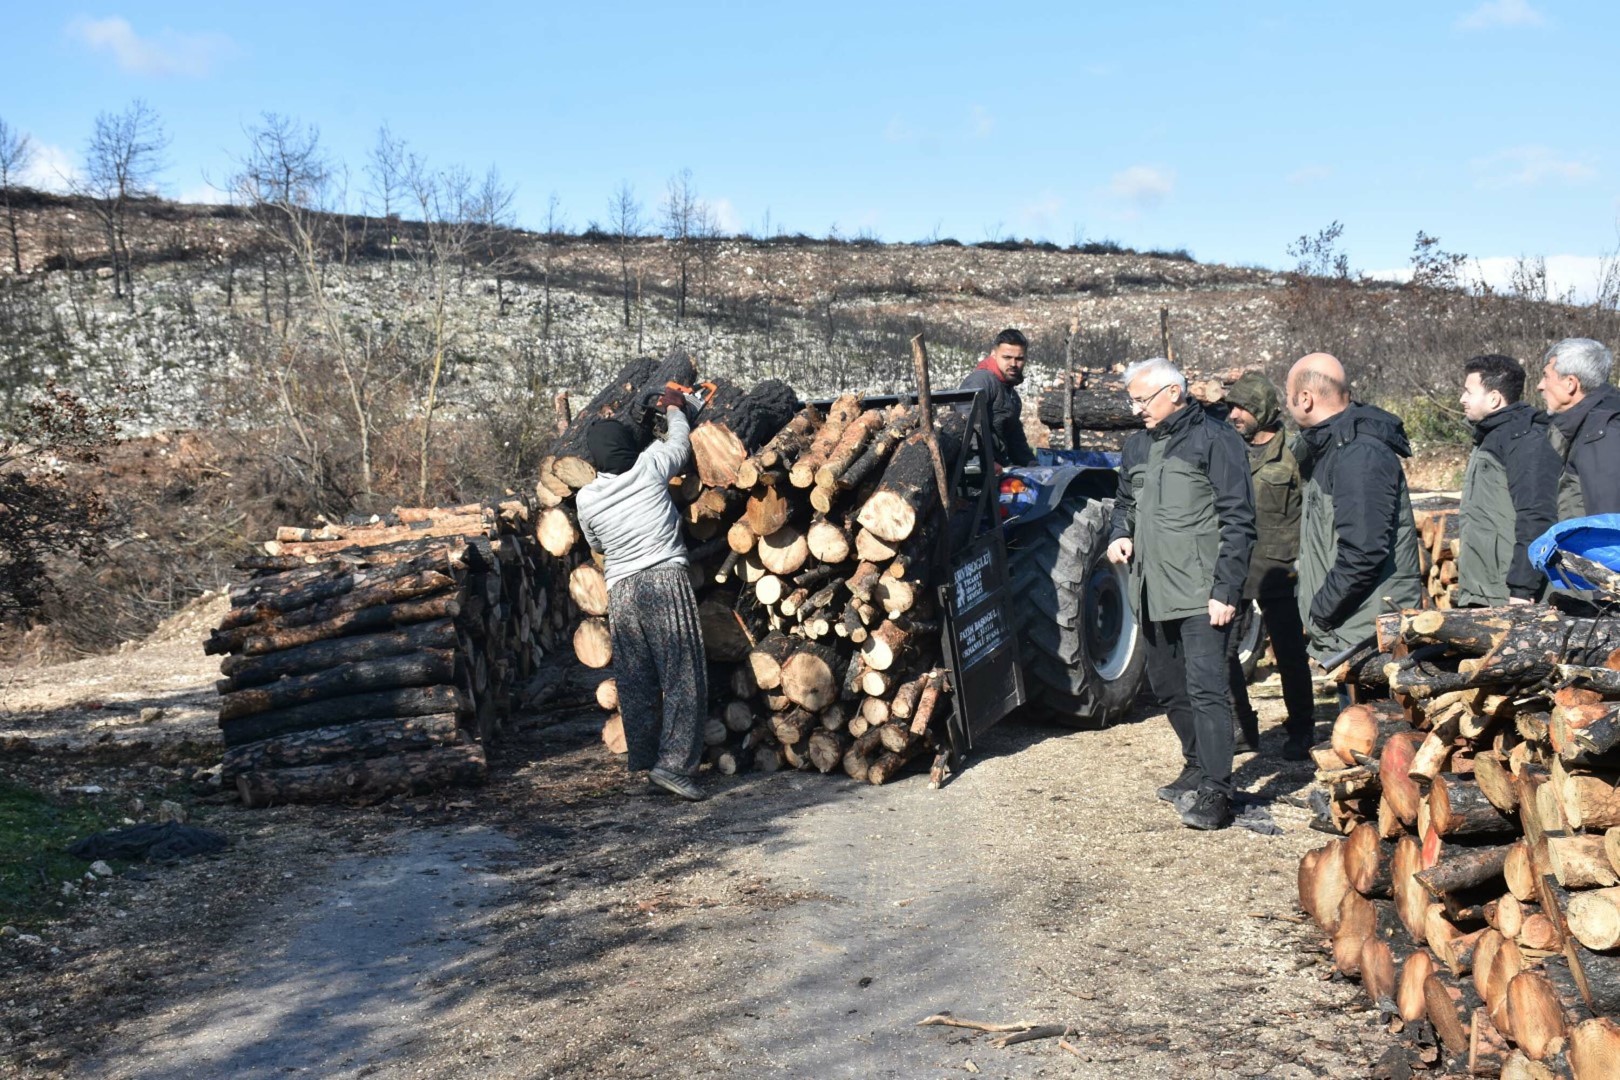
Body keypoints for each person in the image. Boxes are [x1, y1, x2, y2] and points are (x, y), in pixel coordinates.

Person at [1107, 358, 1256, 830]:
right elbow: (1125, 503)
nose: (1136, 410)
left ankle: (1217, 788)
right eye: (1131, 400)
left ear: (1173, 392)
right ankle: (1195, 765)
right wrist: (1119, 533)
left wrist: (1226, 589)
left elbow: (1239, 519)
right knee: (1170, 688)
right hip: (1151, 589)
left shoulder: (1216, 440)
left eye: (1142, 399)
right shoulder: (1137, 445)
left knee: (1207, 690)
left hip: (1200, 592)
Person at [575, 388, 708, 801]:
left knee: (636, 679)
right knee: (683, 676)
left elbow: (595, 543)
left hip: (622, 591)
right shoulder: (650, 465)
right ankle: (674, 766)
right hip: (664, 580)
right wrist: (674, 409)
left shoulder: (587, 498)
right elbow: (680, 442)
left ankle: (647, 759)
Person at [1285, 353, 1423, 665]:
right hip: (1349, 627)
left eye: (1288, 395)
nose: (1287, 403)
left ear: (1305, 398)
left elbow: (1363, 551)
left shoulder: (1359, 454)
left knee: (1367, 716)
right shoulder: (1331, 447)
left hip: (1365, 634)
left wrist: (1319, 612)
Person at [1222, 371, 1316, 762]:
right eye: (1231, 406)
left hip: (1281, 568)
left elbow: (1312, 511)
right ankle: (1241, 726)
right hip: (1234, 564)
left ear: (1261, 409)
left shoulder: (1295, 451)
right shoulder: (1227, 449)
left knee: (1291, 653)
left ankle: (1302, 729)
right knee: (1223, 650)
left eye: (1241, 407)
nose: (1233, 415)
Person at [1456, 354, 1560, 607]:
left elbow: (1537, 515)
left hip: (1507, 594)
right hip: (1484, 590)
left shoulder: (1524, 440)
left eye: (1469, 391)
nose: (1462, 399)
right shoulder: (1489, 437)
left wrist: (1522, 589)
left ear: (1494, 398)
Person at [1537, 337, 1620, 519]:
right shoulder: (1592, 423)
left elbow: (1609, 528)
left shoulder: (1602, 433)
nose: (1540, 386)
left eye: (1546, 376)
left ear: (1570, 383)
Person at [960, 328, 1037, 467]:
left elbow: (1015, 439)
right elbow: (966, 423)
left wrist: (1032, 465)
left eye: (1019, 358)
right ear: (993, 355)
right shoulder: (981, 381)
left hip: (998, 466)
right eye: (1007, 357)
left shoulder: (1012, 396)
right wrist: (985, 462)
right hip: (978, 474)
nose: (1013, 364)